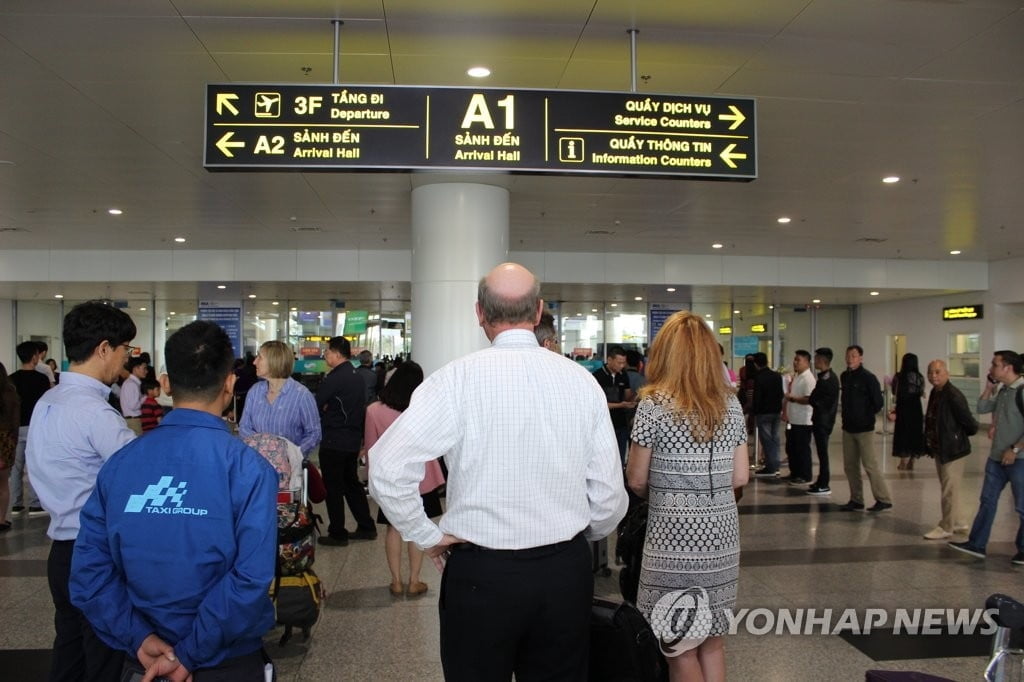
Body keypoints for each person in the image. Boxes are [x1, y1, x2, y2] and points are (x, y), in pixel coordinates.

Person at [368, 262, 627, 682]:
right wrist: (580, 535)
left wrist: (427, 536)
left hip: (480, 575)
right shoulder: (581, 383)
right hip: (563, 571)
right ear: (539, 310)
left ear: (480, 314)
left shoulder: (455, 379)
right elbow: (609, 496)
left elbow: (386, 465)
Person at [69, 320, 278, 681]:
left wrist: (138, 637)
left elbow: (89, 572)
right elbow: (249, 579)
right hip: (226, 662)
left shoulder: (120, 465)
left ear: (165, 383)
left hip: (144, 661)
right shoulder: (250, 469)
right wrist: (189, 652)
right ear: (229, 383)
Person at [625, 311, 749, 682]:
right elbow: (740, 476)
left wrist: (669, 492)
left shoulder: (654, 405)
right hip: (722, 538)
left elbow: (636, 479)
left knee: (679, 648)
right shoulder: (731, 404)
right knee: (712, 642)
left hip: (673, 539)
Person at [26, 301, 138, 682]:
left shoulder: (48, 402)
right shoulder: (95, 413)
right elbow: (136, 476)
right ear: (104, 348)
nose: (124, 361)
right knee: (104, 657)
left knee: (70, 653)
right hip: (96, 552)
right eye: (125, 350)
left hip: (61, 548)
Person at [364, 361, 444, 598]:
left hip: (390, 477)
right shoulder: (421, 409)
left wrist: (371, 479)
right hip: (421, 476)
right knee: (418, 525)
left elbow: (371, 448)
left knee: (394, 527)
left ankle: (396, 581)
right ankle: (414, 580)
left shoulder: (374, 411)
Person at [948, 350, 1024, 564]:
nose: (991, 368)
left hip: (1019, 460)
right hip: (996, 458)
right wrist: (989, 387)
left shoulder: (1021, 391)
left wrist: (1015, 449)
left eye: (994, 364)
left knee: (1022, 507)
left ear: (1007, 367)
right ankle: (977, 544)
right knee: (987, 502)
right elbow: (981, 407)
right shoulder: (1004, 390)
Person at [316, 335, 375, 546]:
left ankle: (338, 532)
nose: (325, 355)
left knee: (333, 487)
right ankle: (366, 526)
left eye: (328, 351)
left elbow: (317, 403)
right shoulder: (356, 375)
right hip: (351, 439)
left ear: (337, 353)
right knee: (352, 484)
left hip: (334, 439)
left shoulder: (334, 378)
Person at [921, 359, 978, 540]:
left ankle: (946, 526)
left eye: (938, 372)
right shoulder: (936, 393)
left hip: (952, 450)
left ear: (947, 373)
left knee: (949, 490)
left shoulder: (953, 395)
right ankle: (960, 522)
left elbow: (970, 424)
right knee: (950, 488)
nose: (933, 376)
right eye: (930, 372)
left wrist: (955, 436)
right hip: (941, 448)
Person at [239, 340, 321, 458]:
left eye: (260, 357)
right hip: (258, 464)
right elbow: (244, 427)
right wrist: (262, 450)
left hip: (290, 469)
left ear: (274, 361)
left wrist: (293, 454)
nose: (254, 361)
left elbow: (314, 433)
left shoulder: (302, 396)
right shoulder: (255, 391)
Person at [839, 345, 892, 512]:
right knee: (850, 465)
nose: (850, 359)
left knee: (870, 464)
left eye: (854, 356)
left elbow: (878, 402)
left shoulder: (868, 378)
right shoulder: (844, 376)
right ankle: (856, 499)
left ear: (861, 358)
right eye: (848, 356)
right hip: (848, 428)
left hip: (864, 429)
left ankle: (883, 498)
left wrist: (864, 415)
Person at [9, 340, 51, 516]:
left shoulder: (11, 379)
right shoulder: (42, 379)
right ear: (35, 357)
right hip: (35, 428)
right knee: (34, 467)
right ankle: (35, 504)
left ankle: (16, 504)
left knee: (16, 468)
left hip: (16, 428)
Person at [805, 348, 840, 496]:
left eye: (817, 358)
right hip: (821, 419)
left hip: (823, 420)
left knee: (823, 453)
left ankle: (824, 483)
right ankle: (821, 480)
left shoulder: (828, 379)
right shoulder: (825, 377)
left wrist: (815, 400)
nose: (815, 361)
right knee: (821, 453)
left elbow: (815, 399)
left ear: (822, 360)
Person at [593, 346, 636, 465]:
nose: (622, 366)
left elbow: (627, 395)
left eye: (624, 363)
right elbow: (599, 405)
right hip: (604, 423)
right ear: (609, 360)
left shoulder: (623, 375)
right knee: (605, 459)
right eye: (619, 363)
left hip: (621, 424)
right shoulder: (597, 376)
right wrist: (621, 405)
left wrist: (633, 397)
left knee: (620, 458)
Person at [783, 350, 817, 485]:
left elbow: (809, 399)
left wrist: (792, 398)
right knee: (792, 448)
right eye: (795, 359)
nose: (795, 362)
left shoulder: (809, 379)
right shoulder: (797, 376)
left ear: (807, 363)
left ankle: (805, 475)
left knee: (802, 448)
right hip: (793, 418)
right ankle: (795, 472)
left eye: (798, 360)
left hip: (804, 420)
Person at [890, 353, 927, 470]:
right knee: (915, 432)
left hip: (903, 407)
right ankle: (912, 460)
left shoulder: (898, 376)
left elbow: (894, 391)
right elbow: (921, 391)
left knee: (903, 432)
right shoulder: (920, 377)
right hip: (916, 407)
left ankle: (902, 461)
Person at [752, 352, 784, 477]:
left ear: (756, 364)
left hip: (763, 413)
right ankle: (775, 465)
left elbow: (757, 397)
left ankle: (770, 467)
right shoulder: (776, 375)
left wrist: (755, 411)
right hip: (776, 411)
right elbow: (780, 393)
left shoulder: (759, 377)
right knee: (775, 439)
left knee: (766, 440)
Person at [0, 362, 20, 533]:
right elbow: (15, 422)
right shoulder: (10, 394)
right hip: (5, 442)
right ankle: (1, 519)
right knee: (3, 484)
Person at [119, 357, 148, 435]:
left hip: (132, 420)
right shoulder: (131, 384)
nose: (146, 371)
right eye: (144, 368)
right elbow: (133, 406)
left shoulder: (132, 383)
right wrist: (145, 397)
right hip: (133, 421)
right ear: (135, 369)